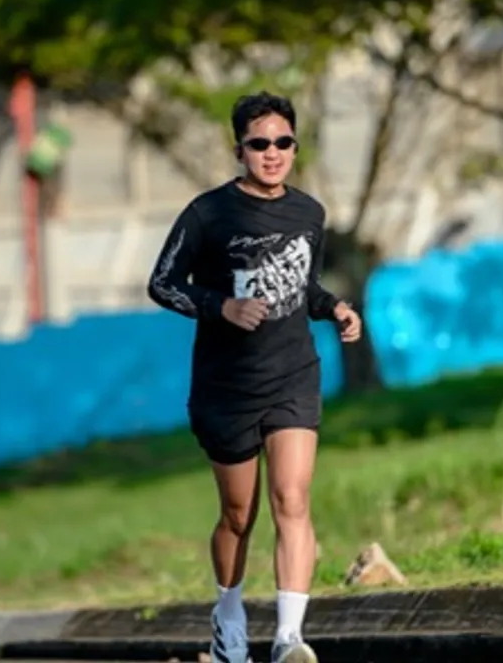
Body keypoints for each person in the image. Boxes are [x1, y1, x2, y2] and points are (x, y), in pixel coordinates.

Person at [147, 91, 362, 663]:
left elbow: (305, 289)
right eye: (259, 143)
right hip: (226, 388)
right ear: (239, 149)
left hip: (292, 375)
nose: (272, 153)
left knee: (292, 498)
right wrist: (222, 306)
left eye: (283, 142)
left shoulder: (309, 214)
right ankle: (229, 614)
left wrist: (336, 308)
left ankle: (289, 638)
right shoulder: (208, 213)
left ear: (295, 146)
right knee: (239, 516)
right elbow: (162, 283)